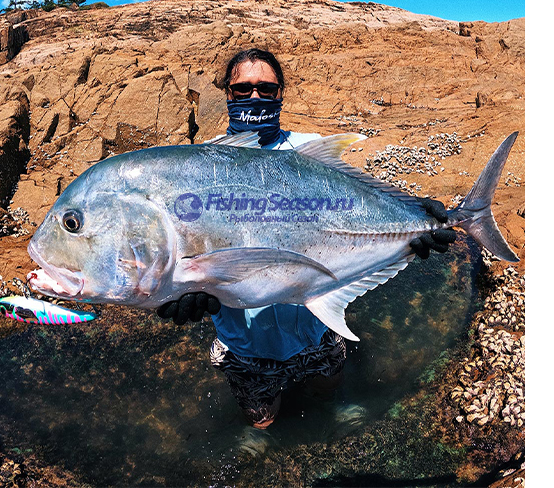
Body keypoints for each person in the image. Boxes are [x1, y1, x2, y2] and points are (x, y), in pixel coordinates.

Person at [157, 48, 455, 429]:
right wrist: (174, 292)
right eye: (243, 89)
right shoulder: (198, 167)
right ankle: (262, 441)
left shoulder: (308, 150)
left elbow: (355, 209)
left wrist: (414, 217)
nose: (254, 97)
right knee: (261, 418)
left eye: (266, 89)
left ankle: (333, 413)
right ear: (228, 94)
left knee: (328, 384)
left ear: (280, 94)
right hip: (247, 345)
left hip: (315, 325)